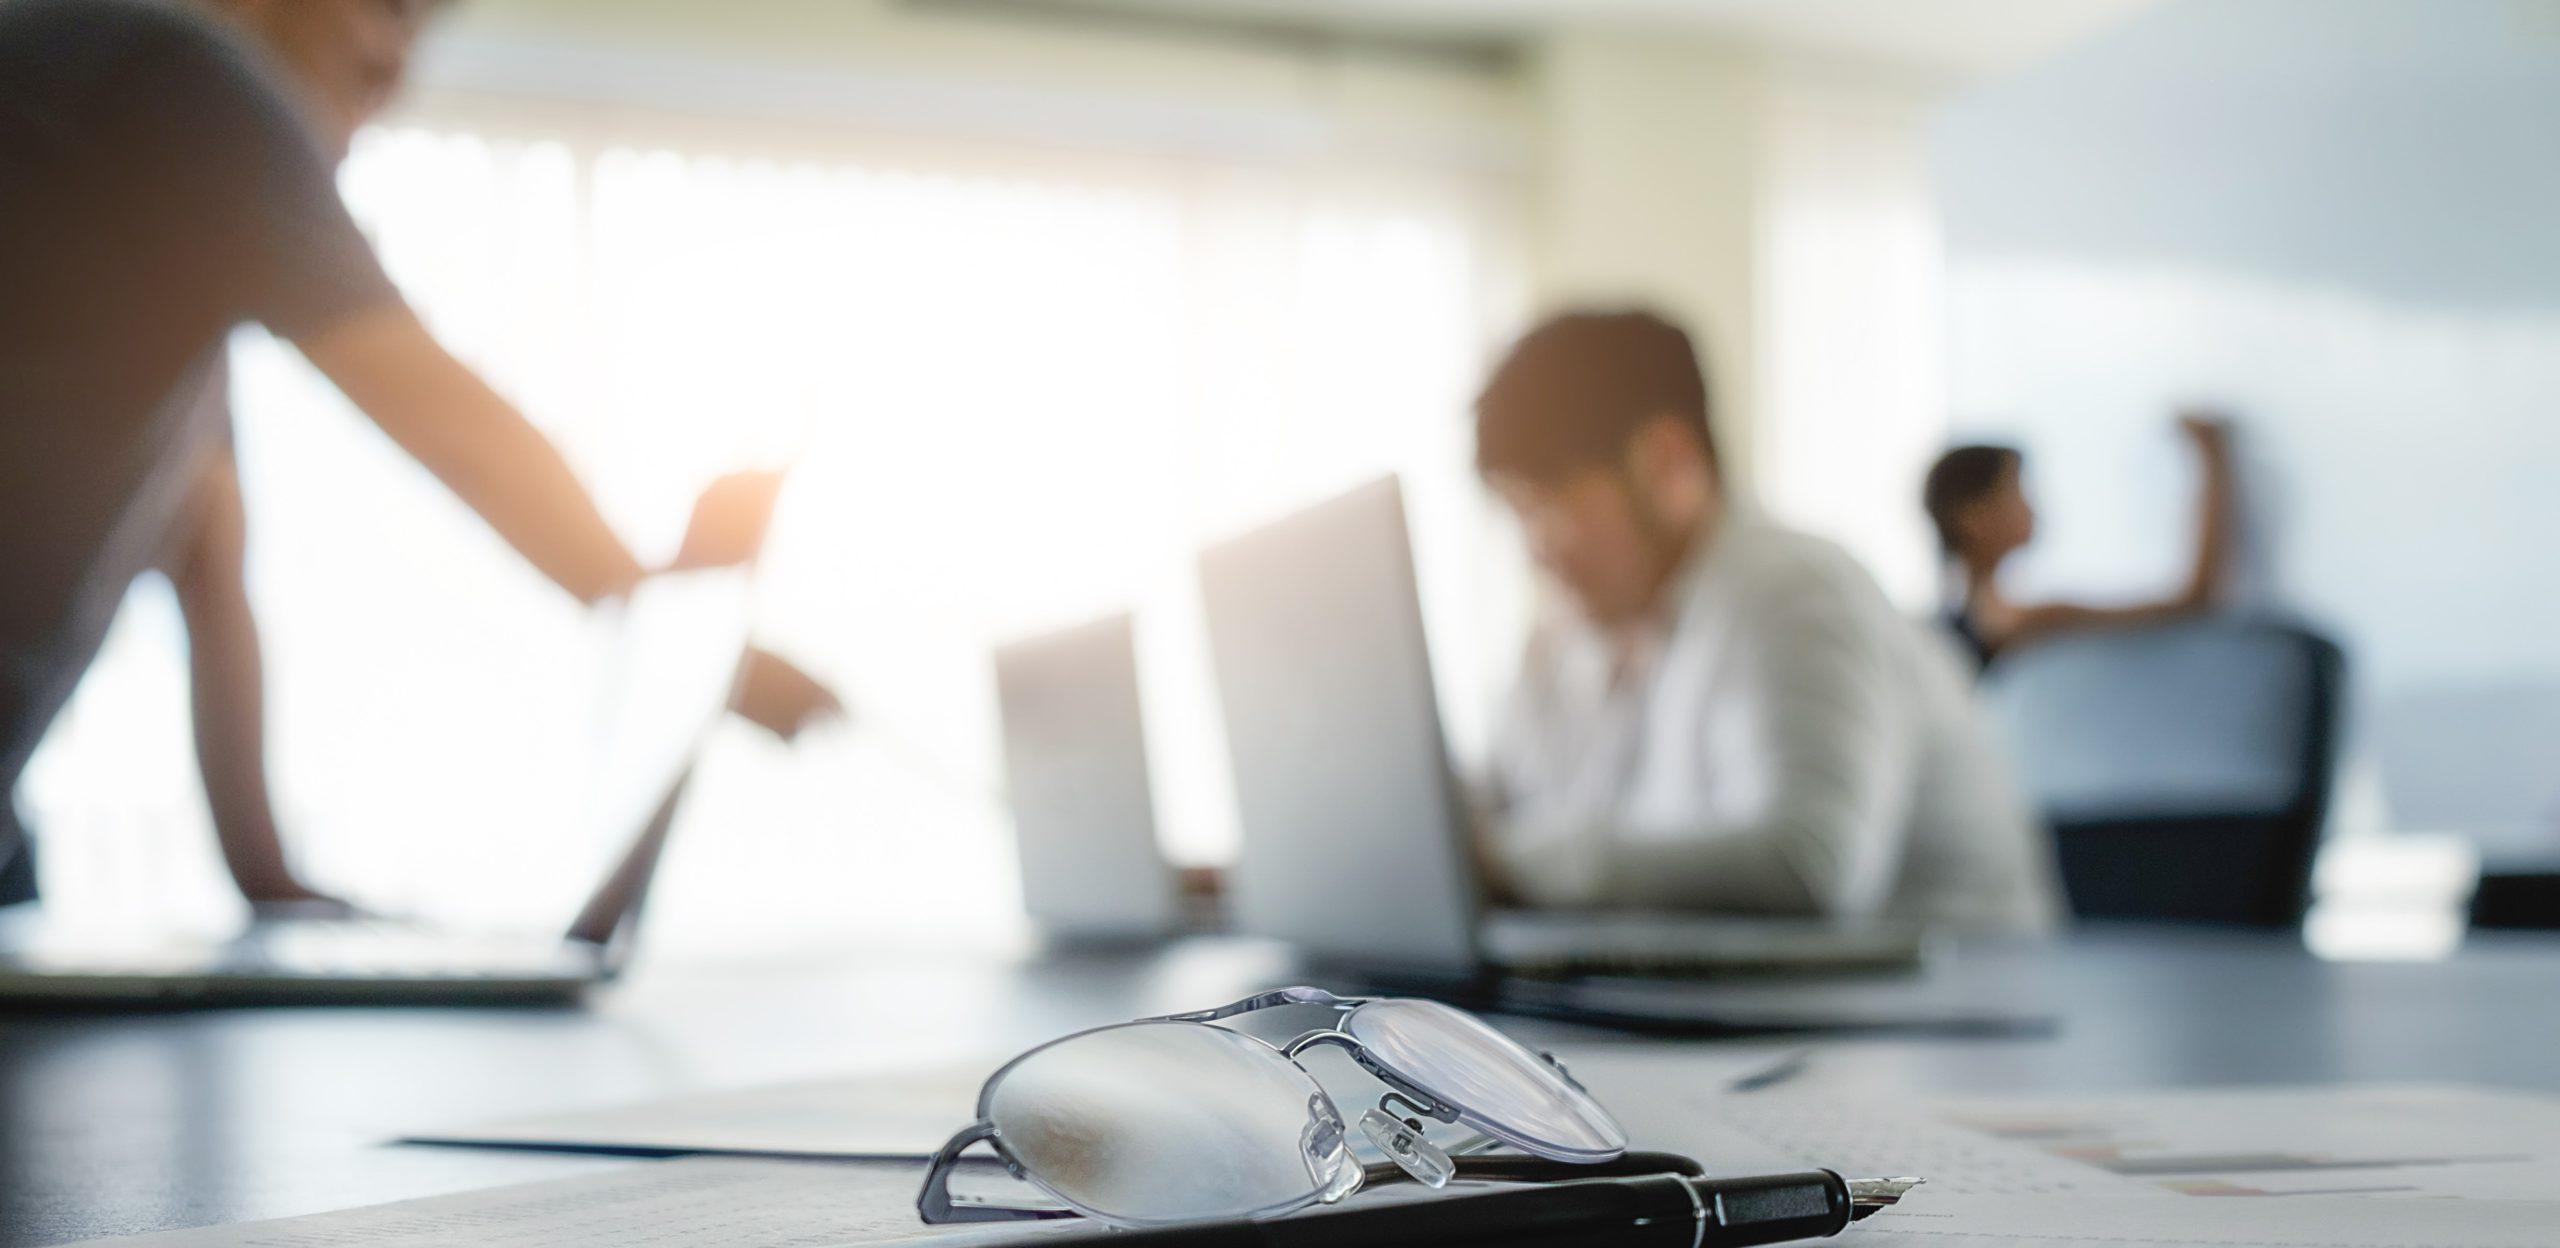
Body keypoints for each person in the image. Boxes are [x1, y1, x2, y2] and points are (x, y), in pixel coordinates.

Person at [0, 0, 838, 911]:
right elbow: (446, 420)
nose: (399, 69)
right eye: (389, 10)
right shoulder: (179, 67)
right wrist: (669, 622)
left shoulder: (149, 275)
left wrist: (274, 885)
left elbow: (210, 549)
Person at [1471, 310, 2060, 933]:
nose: (1534, 549)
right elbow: (1494, 807)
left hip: (1961, 1008)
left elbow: (1809, 863)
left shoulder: (1795, 591)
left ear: (1665, 461)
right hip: (1788, 1007)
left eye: (1546, 504)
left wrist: (1512, 864)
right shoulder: (1575, 633)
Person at [1922, 414, 2235, 671]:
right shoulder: (2012, 622)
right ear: (1974, 519)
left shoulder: (1963, 621)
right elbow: (2193, 600)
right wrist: (2211, 456)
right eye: (2016, 492)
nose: (2031, 508)